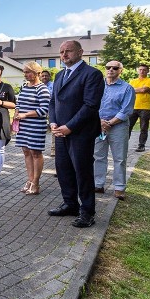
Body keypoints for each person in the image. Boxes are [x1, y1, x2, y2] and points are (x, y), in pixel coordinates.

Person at [47, 40, 105, 228]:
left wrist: (69, 126)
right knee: (63, 170)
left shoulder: (92, 74)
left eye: (68, 51)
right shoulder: (60, 75)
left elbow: (90, 105)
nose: (64, 55)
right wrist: (53, 122)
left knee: (82, 172)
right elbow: (53, 102)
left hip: (80, 133)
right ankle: (70, 204)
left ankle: (87, 212)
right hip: (60, 132)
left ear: (80, 52)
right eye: (61, 52)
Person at [94, 61, 136, 201]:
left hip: (118, 127)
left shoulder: (127, 88)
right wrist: (100, 122)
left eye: (115, 68)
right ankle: (98, 184)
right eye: (108, 67)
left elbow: (126, 110)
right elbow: (92, 105)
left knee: (119, 158)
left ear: (120, 71)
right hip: (99, 126)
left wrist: (110, 123)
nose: (111, 70)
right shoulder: (97, 86)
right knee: (98, 156)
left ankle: (119, 188)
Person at [14, 61, 51, 195]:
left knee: (35, 153)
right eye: (24, 72)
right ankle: (29, 180)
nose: (25, 74)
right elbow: (18, 102)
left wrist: (25, 115)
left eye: (28, 72)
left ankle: (36, 183)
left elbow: (44, 109)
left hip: (36, 125)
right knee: (26, 151)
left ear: (37, 73)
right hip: (23, 125)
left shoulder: (42, 89)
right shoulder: (24, 86)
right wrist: (17, 113)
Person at [128, 63, 150, 152]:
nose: (142, 71)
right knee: (128, 126)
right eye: (140, 69)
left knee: (143, 128)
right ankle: (123, 144)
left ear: (147, 71)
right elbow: (128, 91)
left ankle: (141, 145)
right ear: (137, 70)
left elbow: (144, 90)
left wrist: (135, 89)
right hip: (133, 107)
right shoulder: (132, 81)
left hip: (145, 107)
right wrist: (139, 89)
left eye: (144, 70)